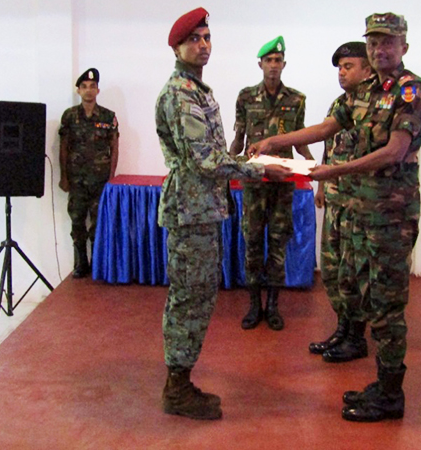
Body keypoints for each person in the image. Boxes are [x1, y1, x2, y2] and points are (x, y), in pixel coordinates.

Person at [250, 12, 421, 422]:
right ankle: (382, 383)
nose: (379, 50)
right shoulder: (364, 91)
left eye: (387, 42)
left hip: (390, 216)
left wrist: (333, 172)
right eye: (373, 43)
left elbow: (394, 151)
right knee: (364, 294)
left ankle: (391, 394)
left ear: (404, 46)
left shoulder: (410, 90)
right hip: (361, 213)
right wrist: (276, 140)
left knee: (387, 305)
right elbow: (327, 127)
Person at [156, 7, 291, 421]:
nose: (203, 45)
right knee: (189, 298)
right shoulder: (181, 94)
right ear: (177, 48)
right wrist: (257, 169)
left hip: (203, 209)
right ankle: (177, 388)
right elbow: (204, 159)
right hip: (190, 211)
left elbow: (213, 153)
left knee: (199, 296)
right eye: (193, 39)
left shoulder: (198, 90)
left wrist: (249, 159)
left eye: (207, 37)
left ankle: (180, 380)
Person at [229, 36, 314, 331]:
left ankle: (274, 306)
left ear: (284, 64)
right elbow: (239, 140)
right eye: (269, 60)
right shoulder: (245, 97)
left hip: (282, 184)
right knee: (252, 242)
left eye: (278, 60)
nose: (274, 65)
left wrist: (313, 166)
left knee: (278, 243)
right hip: (254, 183)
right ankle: (254, 305)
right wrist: (226, 167)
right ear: (260, 64)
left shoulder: (296, 100)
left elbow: (300, 140)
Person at [308, 42, 372, 363]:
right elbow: (328, 143)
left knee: (353, 273)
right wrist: (321, 184)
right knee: (332, 270)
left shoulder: (373, 107)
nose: (342, 73)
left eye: (348, 66)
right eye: (339, 68)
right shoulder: (340, 104)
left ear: (367, 69)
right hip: (335, 199)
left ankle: (356, 337)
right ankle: (343, 329)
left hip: (358, 204)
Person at [58, 68, 119, 278]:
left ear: (98, 90)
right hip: (77, 180)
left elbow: (114, 147)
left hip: (100, 180)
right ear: (78, 90)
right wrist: (64, 176)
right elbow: (63, 147)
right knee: (77, 222)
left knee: (98, 223)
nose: (88, 90)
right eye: (84, 87)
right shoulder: (69, 116)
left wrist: (112, 177)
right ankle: (81, 263)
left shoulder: (108, 116)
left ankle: (96, 264)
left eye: (92, 86)